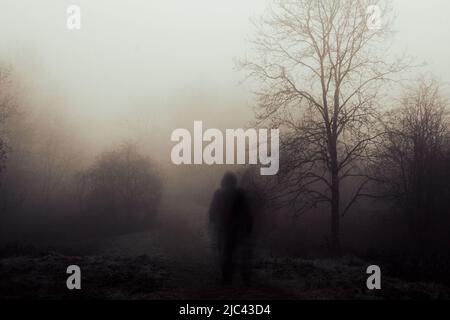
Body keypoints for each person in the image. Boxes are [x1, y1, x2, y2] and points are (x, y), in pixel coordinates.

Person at [209, 172, 253, 285]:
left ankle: (226, 274)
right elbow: (246, 210)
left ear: (223, 181)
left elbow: (213, 208)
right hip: (235, 227)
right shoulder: (240, 193)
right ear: (234, 182)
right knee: (231, 250)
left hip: (222, 226)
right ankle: (230, 274)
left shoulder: (219, 193)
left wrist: (212, 219)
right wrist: (249, 224)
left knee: (223, 249)